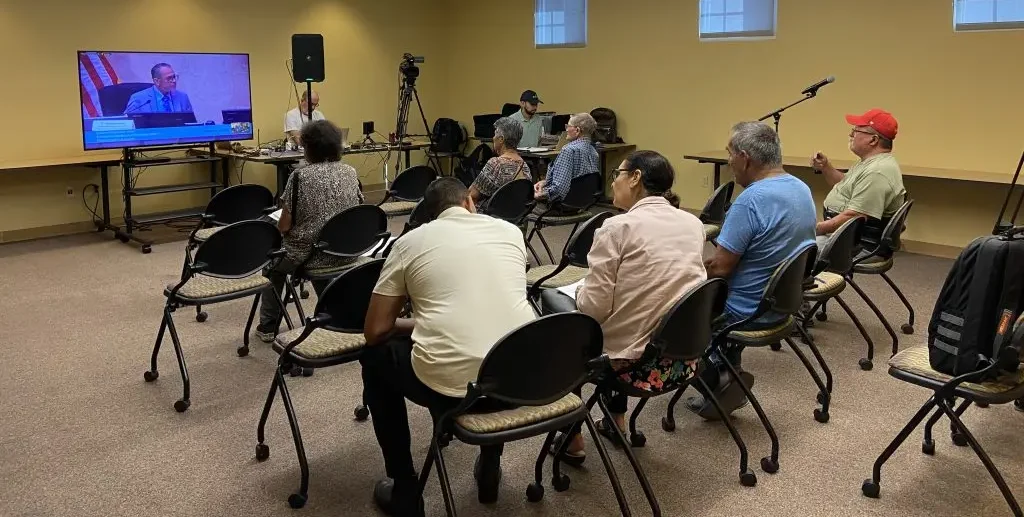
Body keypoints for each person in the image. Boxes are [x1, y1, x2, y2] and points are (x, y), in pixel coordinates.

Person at [360, 178, 536, 516]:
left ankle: (405, 490)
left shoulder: (410, 243)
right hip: (520, 377)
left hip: (453, 389)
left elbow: (375, 330)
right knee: (496, 339)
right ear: (470, 202)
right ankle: (490, 465)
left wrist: (418, 324)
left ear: (429, 216)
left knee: (375, 356)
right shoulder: (511, 232)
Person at [542, 150, 707, 459]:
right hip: (681, 357)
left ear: (635, 178)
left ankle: (572, 437)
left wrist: (581, 291)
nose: (613, 182)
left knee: (565, 317)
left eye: (617, 174)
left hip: (632, 363)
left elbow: (594, 309)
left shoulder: (616, 228)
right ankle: (615, 419)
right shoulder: (693, 223)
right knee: (631, 311)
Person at [685, 121, 816, 419]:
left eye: (730, 154)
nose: (729, 161)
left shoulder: (750, 201)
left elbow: (719, 268)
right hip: (783, 304)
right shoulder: (801, 188)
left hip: (744, 311)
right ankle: (728, 367)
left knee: (671, 314)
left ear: (744, 158)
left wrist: (680, 279)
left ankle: (717, 382)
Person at [254, 120, 363, 343]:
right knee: (320, 247)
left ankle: (268, 325)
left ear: (308, 148)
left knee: (273, 264)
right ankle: (332, 313)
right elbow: (357, 207)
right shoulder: (350, 172)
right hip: (345, 250)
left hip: (308, 254)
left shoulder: (300, 176)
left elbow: (284, 226)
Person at [811, 108, 906, 254]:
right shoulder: (870, 162)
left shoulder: (877, 172)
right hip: (845, 234)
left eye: (856, 131)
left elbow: (854, 217)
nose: (851, 135)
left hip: (855, 242)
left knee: (792, 250)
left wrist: (814, 229)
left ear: (873, 140)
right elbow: (845, 184)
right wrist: (825, 167)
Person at [534, 113, 600, 203]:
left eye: (568, 126)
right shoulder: (593, 151)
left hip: (562, 204)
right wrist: (545, 182)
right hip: (582, 202)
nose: (566, 129)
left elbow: (559, 190)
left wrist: (540, 194)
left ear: (577, 130)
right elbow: (577, 181)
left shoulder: (568, 150)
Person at [469, 117, 530, 213]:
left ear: (501, 139)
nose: (493, 138)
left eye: (495, 134)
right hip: (514, 217)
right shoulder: (525, 167)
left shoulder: (496, 164)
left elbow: (472, 195)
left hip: (488, 216)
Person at [124, 63, 193, 114]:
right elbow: (128, 123)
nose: (174, 81)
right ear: (157, 81)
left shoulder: (182, 97)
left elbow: (190, 123)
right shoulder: (138, 99)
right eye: (169, 78)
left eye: (174, 77)